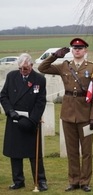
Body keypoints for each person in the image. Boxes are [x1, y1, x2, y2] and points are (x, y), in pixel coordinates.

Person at [38, 38, 93, 192]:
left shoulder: (92, 68)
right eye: (75, 47)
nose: (77, 50)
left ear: (85, 50)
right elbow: (42, 68)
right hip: (68, 114)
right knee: (71, 150)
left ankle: (85, 181)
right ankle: (74, 180)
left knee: (86, 152)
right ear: (71, 50)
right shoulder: (64, 66)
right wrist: (54, 55)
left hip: (86, 115)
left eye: (80, 48)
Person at [0, 53, 48, 191]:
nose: (23, 71)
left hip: (31, 121)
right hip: (14, 119)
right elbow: (3, 96)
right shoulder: (11, 77)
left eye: (25, 69)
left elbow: (40, 102)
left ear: (31, 66)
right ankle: (18, 180)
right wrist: (10, 112)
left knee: (34, 154)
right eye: (20, 68)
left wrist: (32, 120)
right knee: (15, 152)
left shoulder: (39, 79)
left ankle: (40, 180)